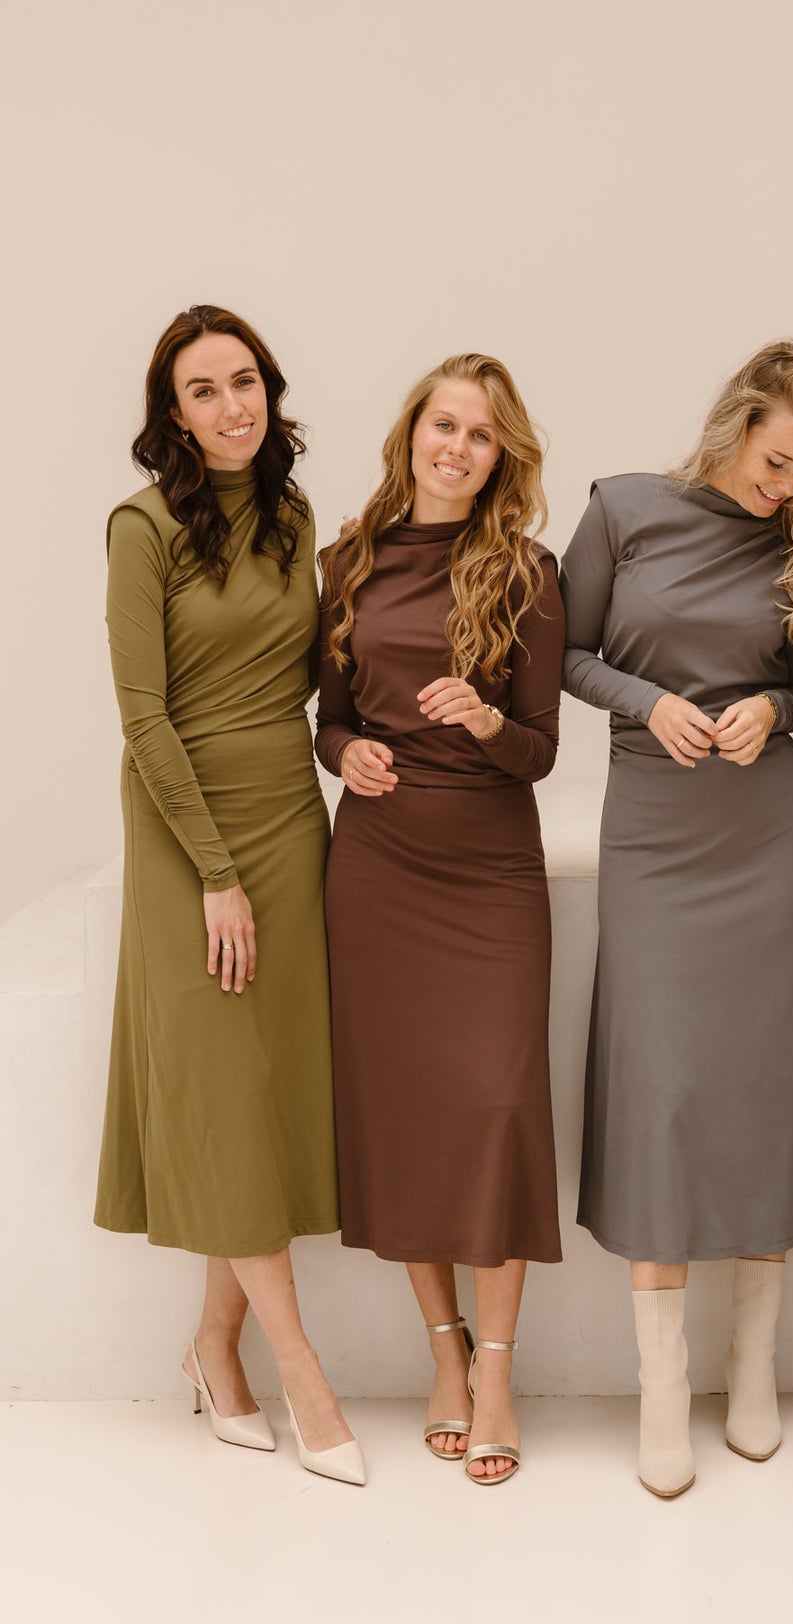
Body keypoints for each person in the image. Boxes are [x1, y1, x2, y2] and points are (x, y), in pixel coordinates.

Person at [560, 339, 793, 1498]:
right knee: (664, 1093)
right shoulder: (623, 510)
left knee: (765, 1090)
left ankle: (752, 1366)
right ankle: (661, 1385)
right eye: (776, 461)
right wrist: (650, 702)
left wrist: (768, 712)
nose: (786, 487)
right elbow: (565, 653)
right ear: (735, 423)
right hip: (653, 832)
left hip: (769, 841)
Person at [95, 304, 364, 1486]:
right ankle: (300, 1367)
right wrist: (214, 873)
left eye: (243, 381)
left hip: (290, 817)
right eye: (202, 390)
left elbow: (309, 680)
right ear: (173, 413)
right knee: (218, 1077)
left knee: (258, 1092)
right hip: (184, 828)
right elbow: (143, 714)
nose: (230, 406)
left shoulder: (294, 520)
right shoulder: (142, 526)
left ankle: (213, 1347)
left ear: (270, 390)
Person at [317, 352, 563, 1488]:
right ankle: (446, 1356)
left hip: (490, 871)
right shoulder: (349, 561)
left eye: (480, 433)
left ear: (501, 456)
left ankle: (499, 1369)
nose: (457, 446)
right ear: (411, 433)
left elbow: (541, 750)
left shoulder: (528, 572)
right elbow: (326, 716)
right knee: (408, 1113)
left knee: (499, 1110)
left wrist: (483, 721)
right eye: (443, 425)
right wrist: (346, 754)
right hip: (378, 870)